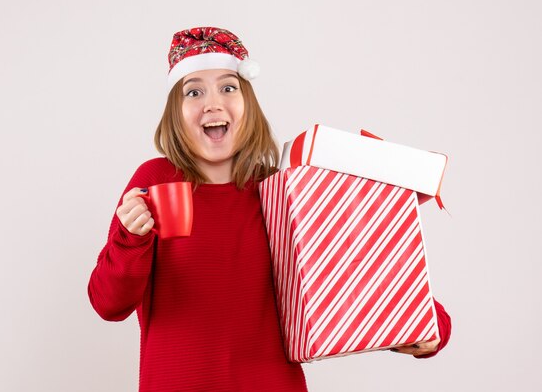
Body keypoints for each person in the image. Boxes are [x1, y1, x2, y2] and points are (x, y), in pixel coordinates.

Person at [88, 27, 451, 391]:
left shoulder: (280, 190)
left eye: (228, 87)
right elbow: (108, 304)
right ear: (175, 113)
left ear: (248, 104)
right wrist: (130, 238)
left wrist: (430, 326)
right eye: (194, 91)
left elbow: (353, 267)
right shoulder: (155, 180)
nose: (212, 103)